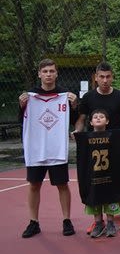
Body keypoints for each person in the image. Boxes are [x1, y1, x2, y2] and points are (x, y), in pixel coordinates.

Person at [19, 58, 78, 238]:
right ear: (39, 74)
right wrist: (22, 106)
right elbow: (21, 121)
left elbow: (74, 120)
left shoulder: (65, 95)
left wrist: (74, 105)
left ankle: (67, 220)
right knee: (34, 185)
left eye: (52, 71)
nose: (48, 74)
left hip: (57, 148)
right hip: (36, 149)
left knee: (62, 184)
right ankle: (33, 222)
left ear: (56, 73)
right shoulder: (29, 97)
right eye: (45, 71)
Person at [74, 62, 120, 234]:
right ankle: (98, 221)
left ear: (112, 77)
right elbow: (81, 119)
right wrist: (77, 132)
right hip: (94, 146)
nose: (105, 80)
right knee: (96, 179)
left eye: (108, 77)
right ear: (96, 78)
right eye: (101, 77)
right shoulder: (88, 97)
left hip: (115, 145)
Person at [79, 109, 120, 238]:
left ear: (107, 121)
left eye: (101, 116)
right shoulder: (85, 138)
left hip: (109, 174)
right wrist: (75, 135)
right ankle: (98, 223)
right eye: (95, 117)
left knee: (110, 196)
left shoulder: (113, 136)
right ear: (91, 122)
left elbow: (119, 154)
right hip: (93, 175)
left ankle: (110, 223)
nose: (98, 118)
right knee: (95, 196)